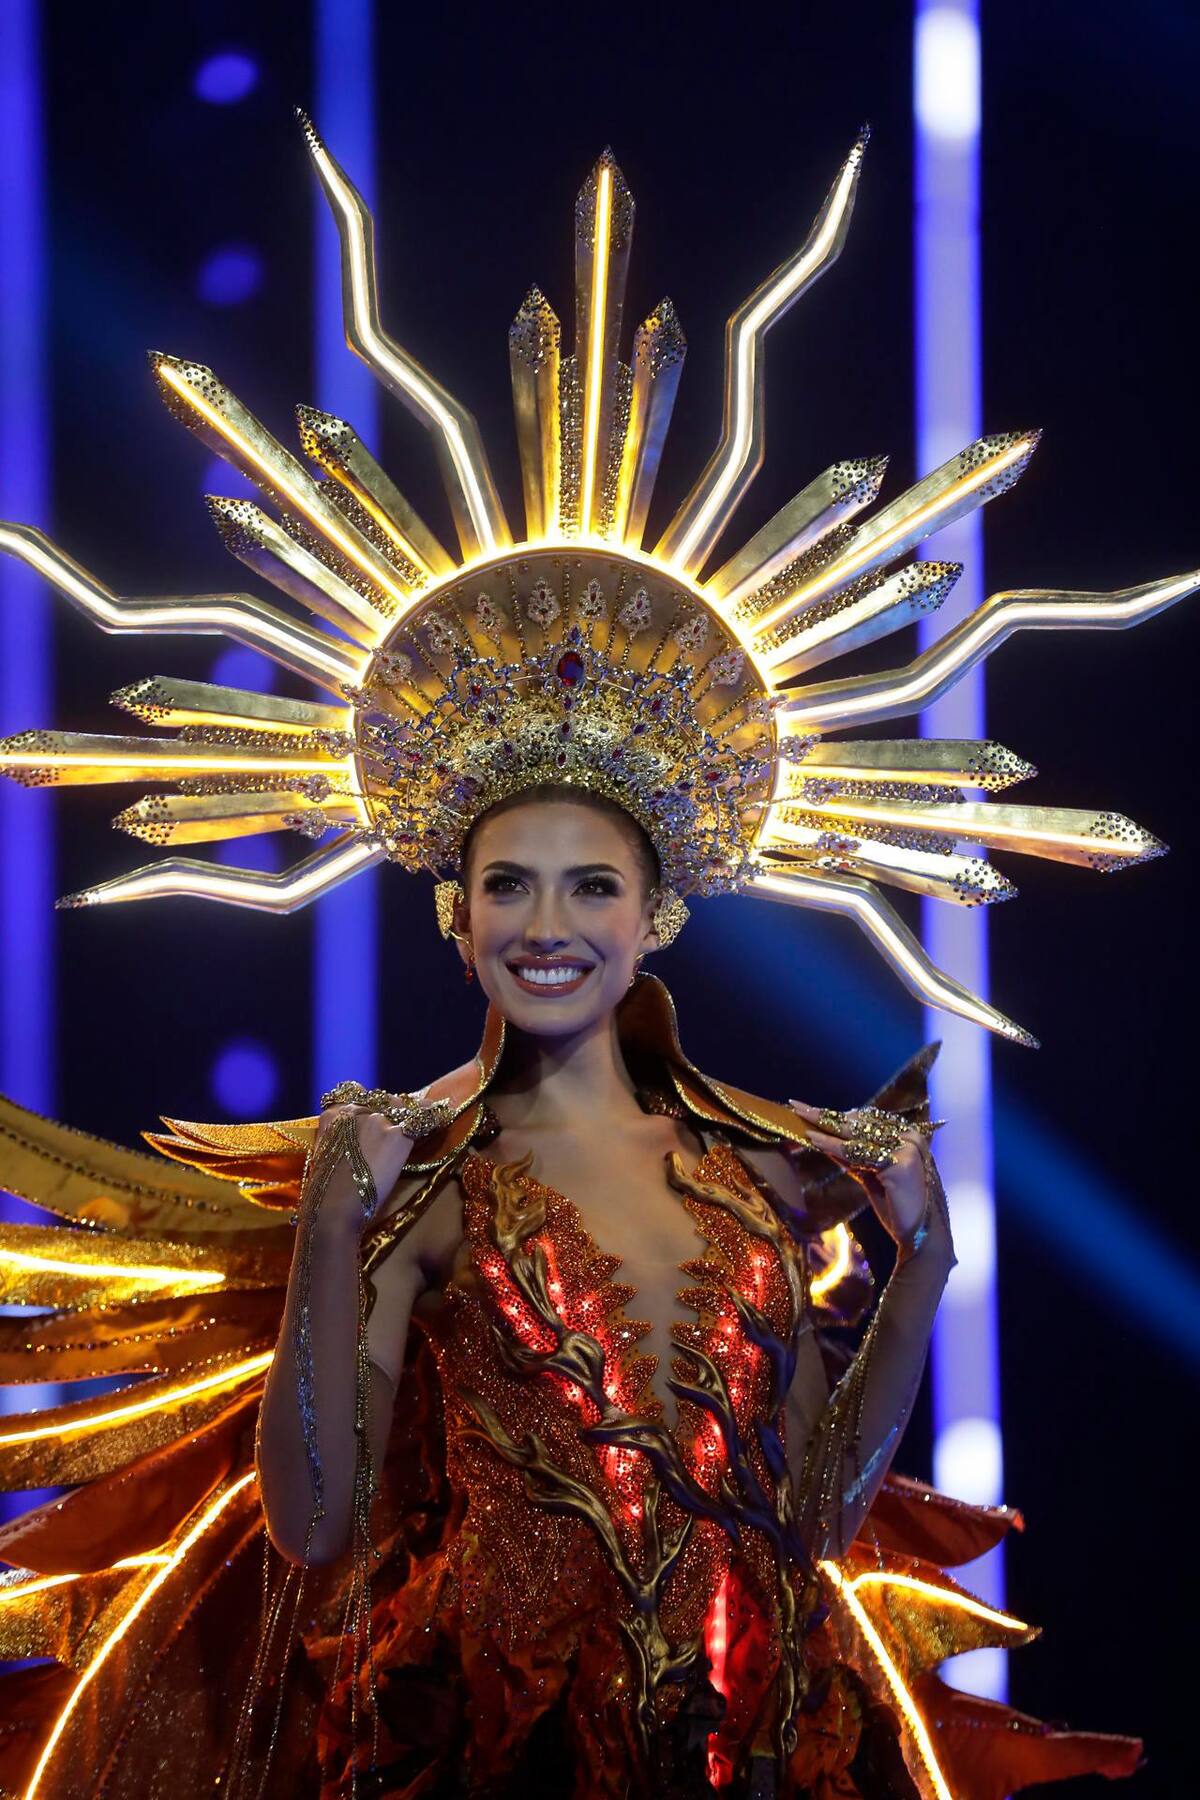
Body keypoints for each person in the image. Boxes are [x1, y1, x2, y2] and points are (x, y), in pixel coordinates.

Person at [0, 121, 1176, 1797]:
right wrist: (336, 1215)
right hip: (480, 1746)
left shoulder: (757, 1188)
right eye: (511, 889)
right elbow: (320, 1526)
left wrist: (916, 1271)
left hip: (753, 1750)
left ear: (659, 917)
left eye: (590, 891)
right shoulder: (421, 1189)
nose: (549, 924)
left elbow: (818, 1513)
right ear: (454, 915)